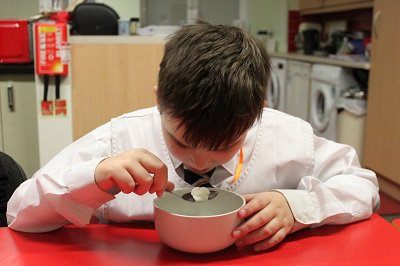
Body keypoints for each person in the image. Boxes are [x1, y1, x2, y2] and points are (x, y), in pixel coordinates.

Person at [7, 21, 379, 252]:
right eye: (181, 142)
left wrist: (299, 206)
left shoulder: (290, 138)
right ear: (158, 100)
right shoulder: (118, 139)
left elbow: (364, 186)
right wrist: (92, 180)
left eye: (222, 146)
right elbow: (18, 213)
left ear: (257, 112)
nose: (199, 163)